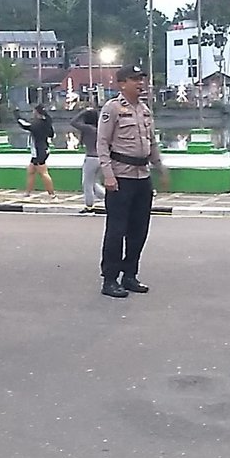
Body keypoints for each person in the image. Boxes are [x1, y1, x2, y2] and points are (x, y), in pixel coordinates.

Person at [96, 65, 167, 298]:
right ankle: (110, 279)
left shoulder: (145, 110)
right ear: (122, 83)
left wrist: (160, 167)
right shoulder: (112, 109)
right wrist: (108, 175)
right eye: (135, 79)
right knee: (117, 230)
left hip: (142, 176)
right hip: (120, 177)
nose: (140, 83)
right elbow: (102, 144)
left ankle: (129, 275)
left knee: (139, 230)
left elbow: (152, 142)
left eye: (142, 79)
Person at [70, 104, 105, 213]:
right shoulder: (100, 129)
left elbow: (73, 122)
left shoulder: (89, 128)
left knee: (87, 184)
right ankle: (107, 197)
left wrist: (84, 111)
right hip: (100, 158)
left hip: (91, 158)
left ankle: (89, 206)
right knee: (94, 183)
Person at [17, 104, 56, 196]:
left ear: (37, 112)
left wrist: (17, 116)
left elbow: (25, 125)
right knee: (31, 171)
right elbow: (51, 134)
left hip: (39, 151)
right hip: (41, 150)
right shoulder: (47, 122)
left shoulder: (37, 124)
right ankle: (27, 192)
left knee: (43, 173)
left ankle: (52, 194)